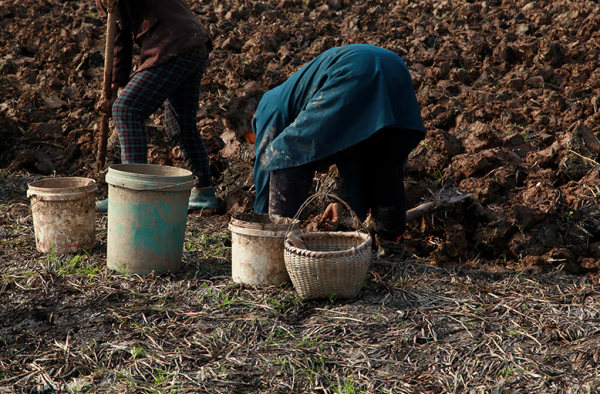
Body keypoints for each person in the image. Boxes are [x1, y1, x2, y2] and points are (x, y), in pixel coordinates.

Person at [225, 44, 426, 258]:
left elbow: (269, 163)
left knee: (284, 150)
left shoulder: (267, 106)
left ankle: (277, 244)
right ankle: (391, 244)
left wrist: (261, 225)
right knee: (384, 158)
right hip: (395, 67)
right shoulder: (295, 99)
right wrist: (340, 200)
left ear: (251, 120)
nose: (256, 146)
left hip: (354, 68)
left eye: (251, 140)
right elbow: (354, 149)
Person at [95, 0, 217, 212]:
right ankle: (204, 192)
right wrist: (113, 87)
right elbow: (119, 36)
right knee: (180, 124)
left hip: (174, 42)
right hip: (192, 43)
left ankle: (133, 194)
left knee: (127, 109)